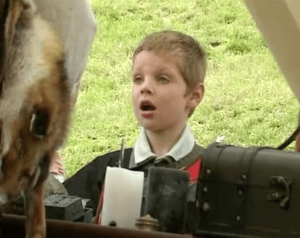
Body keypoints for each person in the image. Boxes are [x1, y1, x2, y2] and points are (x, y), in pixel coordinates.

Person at [63, 30, 207, 232]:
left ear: (194, 95)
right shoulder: (104, 170)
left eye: (162, 78)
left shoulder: (211, 179)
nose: (145, 87)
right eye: (138, 79)